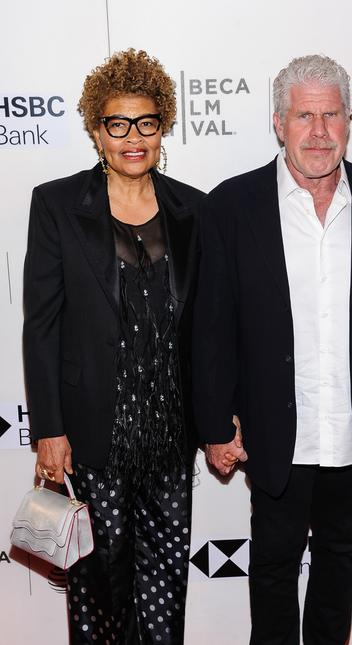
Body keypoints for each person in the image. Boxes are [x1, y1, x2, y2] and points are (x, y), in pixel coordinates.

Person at [192, 54, 352, 645]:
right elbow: (211, 328)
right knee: (273, 567)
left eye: (331, 116)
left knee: (340, 559)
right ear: (279, 123)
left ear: (349, 120)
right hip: (275, 431)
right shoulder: (232, 206)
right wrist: (215, 425)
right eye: (305, 116)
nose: (320, 132)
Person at [23, 48, 204, 644]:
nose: (133, 138)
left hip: (170, 435)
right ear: (96, 131)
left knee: (165, 584)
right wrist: (49, 429)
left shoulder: (193, 209)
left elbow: (208, 326)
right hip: (94, 433)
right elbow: (41, 325)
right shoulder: (57, 205)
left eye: (146, 123)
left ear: (163, 127)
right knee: (100, 588)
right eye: (117, 124)